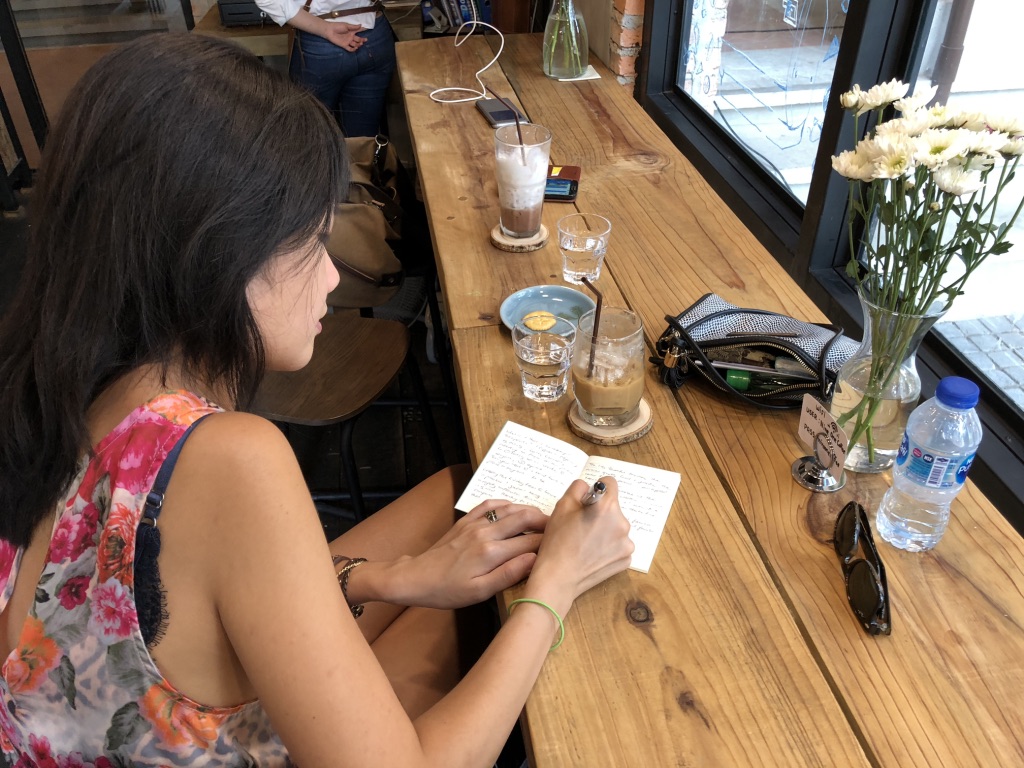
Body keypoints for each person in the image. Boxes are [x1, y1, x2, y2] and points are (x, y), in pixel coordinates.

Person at [0, 34, 634, 766]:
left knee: (464, 495)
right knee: (512, 597)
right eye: (310, 242)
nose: (332, 278)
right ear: (221, 254)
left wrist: (388, 579)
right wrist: (555, 588)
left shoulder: (55, 385)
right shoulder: (227, 459)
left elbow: (198, 594)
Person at [256, 0, 396, 136]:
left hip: (320, 42)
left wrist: (324, 28)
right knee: (361, 142)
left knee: (313, 138)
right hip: (374, 38)